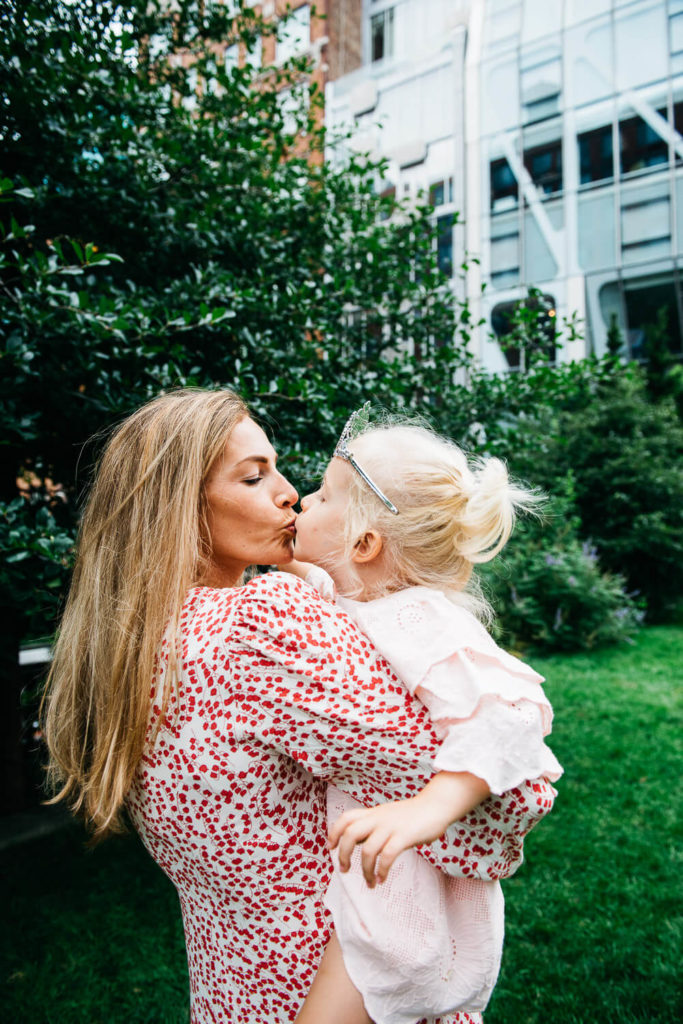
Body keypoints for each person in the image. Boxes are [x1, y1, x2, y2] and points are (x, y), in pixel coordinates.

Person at [41, 388, 554, 1024]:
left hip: (235, 1000)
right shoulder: (263, 625)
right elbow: (518, 792)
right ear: (176, 506)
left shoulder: (128, 652)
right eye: (255, 476)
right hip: (350, 1000)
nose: (289, 492)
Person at [287, 408, 563, 1024]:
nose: (304, 497)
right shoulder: (359, 601)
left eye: (325, 494)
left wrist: (428, 807)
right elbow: (310, 581)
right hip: (380, 882)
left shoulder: (420, 617)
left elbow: (512, 715)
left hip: (410, 893)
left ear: (363, 544)